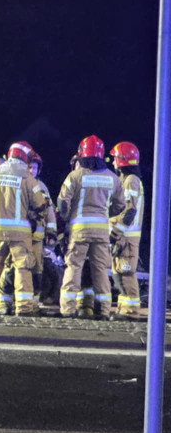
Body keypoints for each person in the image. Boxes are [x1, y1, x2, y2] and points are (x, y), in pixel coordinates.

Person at [57, 135, 126, 318]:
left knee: (73, 267)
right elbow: (121, 206)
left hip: (79, 230)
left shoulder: (75, 176)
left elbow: (62, 202)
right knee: (101, 270)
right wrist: (105, 214)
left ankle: (68, 310)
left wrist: (67, 216)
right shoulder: (113, 178)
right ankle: (103, 311)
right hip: (102, 231)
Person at [0, 141, 49, 316]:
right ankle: (24, 308)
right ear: (25, 157)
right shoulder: (28, 178)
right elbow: (40, 206)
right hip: (20, 233)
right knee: (22, 267)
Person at [0, 151, 56, 313]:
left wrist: (51, 232)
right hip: (20, 236)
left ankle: (32, 304)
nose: (31, 171)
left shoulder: (41, 187)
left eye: (34, 168)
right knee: (11, 268)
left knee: (35, 271)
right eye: (29, 167)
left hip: (36, 238)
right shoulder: (21, 183)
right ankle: (4, 302)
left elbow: (49, 211)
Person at [109, 141, 144, 319]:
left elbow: (130, 211)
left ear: (123, 160)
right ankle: (123, 309)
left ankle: (130, 311)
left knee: (127, 273)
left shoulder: (131, 181)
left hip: (127, 236)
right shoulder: (126, 181)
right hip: (123, 235)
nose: (113, 162)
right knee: (118, 274)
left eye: (115, 159)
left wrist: (115, 233)